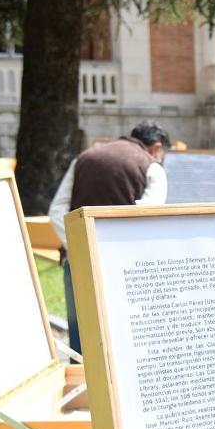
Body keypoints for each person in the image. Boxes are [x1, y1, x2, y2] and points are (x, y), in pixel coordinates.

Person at [49, 121, 170, 353]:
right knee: (124, 344)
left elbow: (57, 210)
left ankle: (82, 387)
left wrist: (79, 246)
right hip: (125, 268)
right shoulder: (152, 168)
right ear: (155, 148)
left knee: (80, 338)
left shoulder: (83, 158)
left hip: (78, 259)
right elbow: (146, 219)